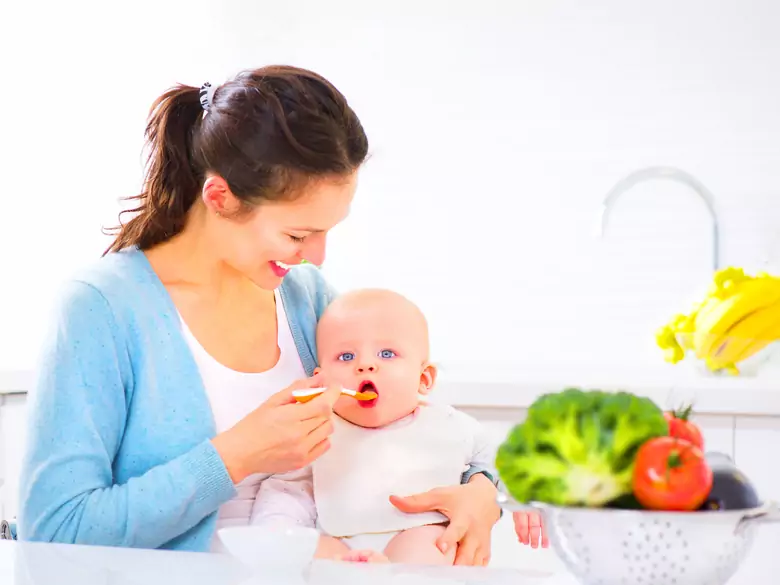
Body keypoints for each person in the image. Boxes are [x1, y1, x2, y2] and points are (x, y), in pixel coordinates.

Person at [16, 65, 501, 560]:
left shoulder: (305, 297)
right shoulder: (101, 309)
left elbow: (413, 421)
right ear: (220, 197)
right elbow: (54, 532)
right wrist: (238, 454)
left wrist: (482, 493)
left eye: (327, 231)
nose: (316, 256)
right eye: (296, 235)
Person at [251, 288, 498, 566]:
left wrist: (505, 497)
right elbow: (287, 491)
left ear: (424, 379)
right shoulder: (316, 431)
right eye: (346, 357)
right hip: (339, 544)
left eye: (387, 353)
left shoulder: (451, 425)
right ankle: (354, 568)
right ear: (320, 381)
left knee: (434, 544)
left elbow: (496, 464)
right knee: (310, 551)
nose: (366, 364)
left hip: (415, 539)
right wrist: (277, 530)